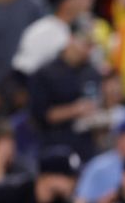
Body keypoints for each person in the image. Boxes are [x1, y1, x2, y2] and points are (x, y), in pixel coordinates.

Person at [28, 33, 103, 161]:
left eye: (91, 47)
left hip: (87, 144)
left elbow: (98, 102)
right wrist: (75, 110)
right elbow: (40, 115)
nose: (87, 50)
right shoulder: (46, 73)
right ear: (71, 39)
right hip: (55, 143)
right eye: (85, 45)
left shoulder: (92, 72)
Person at [12, 0, 94, 77]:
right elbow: (21, 70)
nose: (88, 1)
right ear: (67, 1)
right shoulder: (44, 29)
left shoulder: (76, 30)